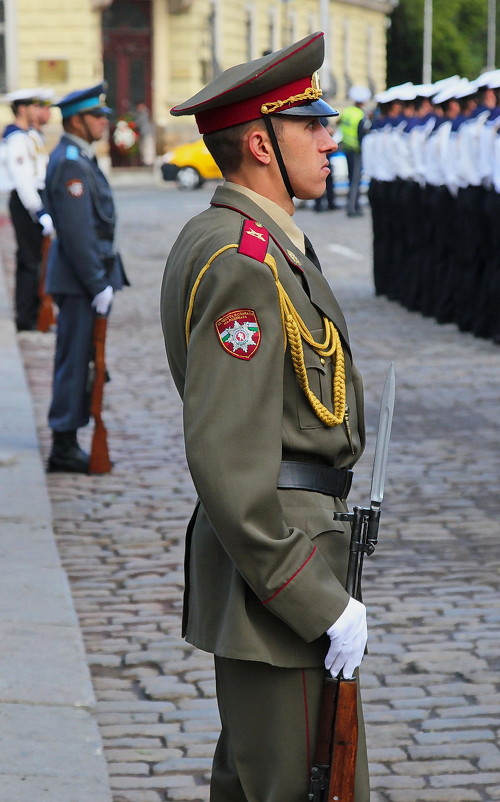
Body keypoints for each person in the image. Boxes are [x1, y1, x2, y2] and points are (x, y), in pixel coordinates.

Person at [160, 33, 369, 801]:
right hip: (279, 580)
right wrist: (319, 601)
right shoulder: (245, 262)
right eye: (310, 123)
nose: (329, 135)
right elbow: (226, 458)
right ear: (259, 143)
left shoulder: (246, 243)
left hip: (280, 571)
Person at [45, 83, 128, 473]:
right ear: (77, 120)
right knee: (75, 362)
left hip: (84, 279)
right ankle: (63, 443)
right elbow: (78, 233)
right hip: (80, 281)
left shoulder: (79, 156)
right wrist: (97, 283)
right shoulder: (71, 162)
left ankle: (68, 436)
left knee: (82, 361)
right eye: (97, 116)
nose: (103, 122)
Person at [1, 88, 54, 331]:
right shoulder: (16, 140)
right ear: (22, 109)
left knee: (36, 260)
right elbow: (23, 182)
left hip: (36, 199)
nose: (39, 111)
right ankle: (27, 317)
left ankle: (33, 312)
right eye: (34, 106)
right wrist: (38, 210)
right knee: (29, 260)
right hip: (26, 203)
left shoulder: (31, 135)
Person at [338, 85, 371, 217]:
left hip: (347, 148)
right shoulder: (360, 115)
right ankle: (352, 207)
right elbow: (361, 134)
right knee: (355, 180)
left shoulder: (347, 111)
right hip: (357, 150)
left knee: (351, 178)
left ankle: (351, 204)